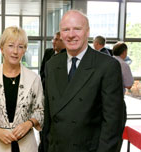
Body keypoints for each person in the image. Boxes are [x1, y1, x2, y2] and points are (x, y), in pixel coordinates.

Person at [42, 10, 126, 152]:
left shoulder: (107, 65)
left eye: (77, 29)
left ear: (87, 32)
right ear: (60, 34)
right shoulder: (52, 64)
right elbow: (48, 116)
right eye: (66, 29)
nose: (71, 34)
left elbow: (113, 122)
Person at [0, 26, 44, 152]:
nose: (15, 51)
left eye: (20, 47)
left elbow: (40, 110)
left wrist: (29, 123)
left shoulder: (34, 79)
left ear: (24, 50)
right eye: (11, 45)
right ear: (1, 48)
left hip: (25, 144)